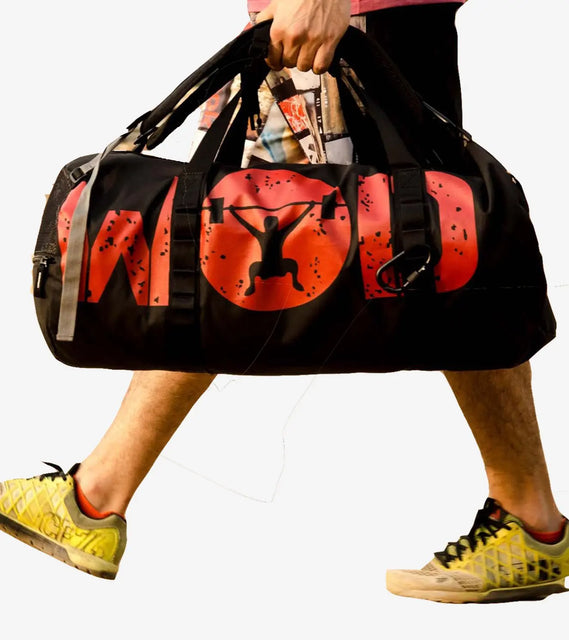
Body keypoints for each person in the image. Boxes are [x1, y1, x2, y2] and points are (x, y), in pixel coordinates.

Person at [0, 0, 567, 603]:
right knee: (437, 256)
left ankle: (93, 499)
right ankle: (529, 520)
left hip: (334, 20)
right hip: (356, 18)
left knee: (240, 250)